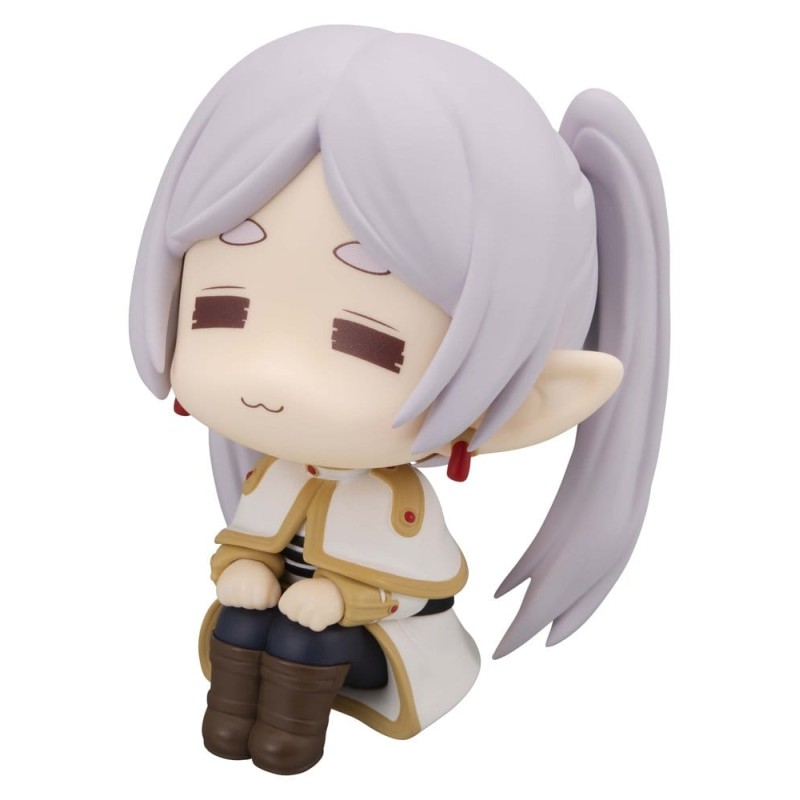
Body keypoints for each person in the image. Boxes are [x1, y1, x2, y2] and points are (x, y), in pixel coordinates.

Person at [130, 25, 669, 775]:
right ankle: (230, 721)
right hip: (286, 619)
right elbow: (249, 540)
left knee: (300, 639)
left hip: (379, 642)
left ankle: (289, 737)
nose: (272, 379)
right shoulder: (273, 475)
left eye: (366, 341)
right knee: (241, 624)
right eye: (221, 308)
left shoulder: (394, 504)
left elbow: (420, 589)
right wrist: (242, 570)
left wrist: (345, 603)